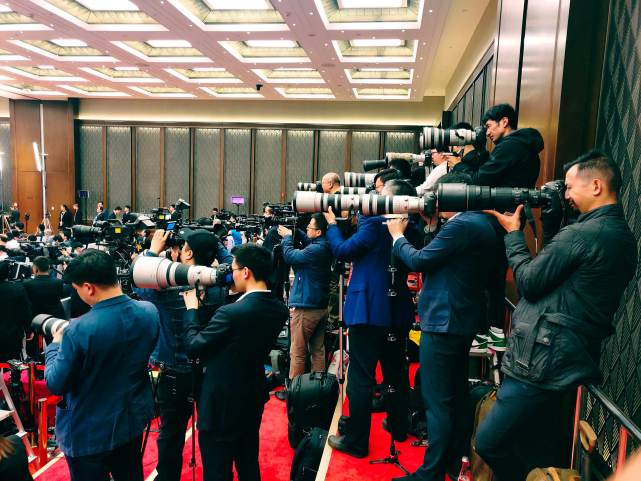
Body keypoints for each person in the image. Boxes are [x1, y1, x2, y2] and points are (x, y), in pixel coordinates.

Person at [475, 150, 638, 481]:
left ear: (596, 186)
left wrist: (513, 234)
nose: (565, 195)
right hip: (566, 356)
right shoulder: (619, 235)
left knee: (489, 441)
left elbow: (530, 282)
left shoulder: (582, 234)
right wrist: (552, 225)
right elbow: (561, 277)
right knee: (538, 444)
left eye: (569, 187)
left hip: (542, 362)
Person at [386, 172, 505, 481]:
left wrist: (397, 236)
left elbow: (420, 260)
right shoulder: (478, 223)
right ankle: (453, 461)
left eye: (439, 195)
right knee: (455, 395)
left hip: (444, 322)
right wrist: (430, 226)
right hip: (458, 320)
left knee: (437, 400)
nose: (434, 201)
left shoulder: (462, 225)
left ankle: (431, 473)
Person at [45, 250, 160, 481]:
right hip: (130, 421)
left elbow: (56, 383)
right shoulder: (149, 311)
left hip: (88, 431)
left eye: (77, 289)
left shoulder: (78, 329)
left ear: (89, 288)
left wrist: (55, 345)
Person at [323, 179, 418, 457]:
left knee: (361, 376)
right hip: (396, 309)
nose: (374, 196)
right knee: (396, 371)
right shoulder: (411, 226)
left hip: (367, 309)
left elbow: (343, 250)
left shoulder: (374, 222)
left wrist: (332, 224)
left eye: (380, 194)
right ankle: (399, 426)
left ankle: (356, 441)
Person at [182, 244, 289, 481]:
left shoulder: (231, 313)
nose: (231, 274)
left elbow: (194, 346)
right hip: (252, 395)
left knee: (217, 470)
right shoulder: (279, 309)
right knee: (248, 462)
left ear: (246, 272)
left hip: (220, 404)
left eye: (233, 270)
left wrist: (191, 311)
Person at [136, 228, 232, 481]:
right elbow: (230, 263)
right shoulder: (220, 285)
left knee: (171, 432)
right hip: (209, 370)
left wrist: (152, 251)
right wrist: (213, 243)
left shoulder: (168, 290)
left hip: (175, 370)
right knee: (212, 430)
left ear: (187, 253)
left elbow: (140, 280)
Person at [278, 213, 333, 380]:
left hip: (306, 308)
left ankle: (295, 389)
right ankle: (317, 387)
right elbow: (309, 243)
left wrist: (287, 238)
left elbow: (290, 256)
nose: (307, 229)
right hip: (320, 306)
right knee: (318, 350)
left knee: (298, 352)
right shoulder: (325, 245)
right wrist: (297, 232)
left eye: (310, 227)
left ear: (318, 232)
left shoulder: (315, 249)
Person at [466, 103, 543, 188]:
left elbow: (480, 180)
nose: (487, 133)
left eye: (489, 126)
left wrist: (459, 164)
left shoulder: (509, 146)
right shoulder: (522, 143)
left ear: (504, 122)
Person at [0, 261, 32, 361]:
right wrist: (28, 330)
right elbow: (25, 312)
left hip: (11, 332)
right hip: (12, 333)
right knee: (14, 361)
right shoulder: (17, 289)